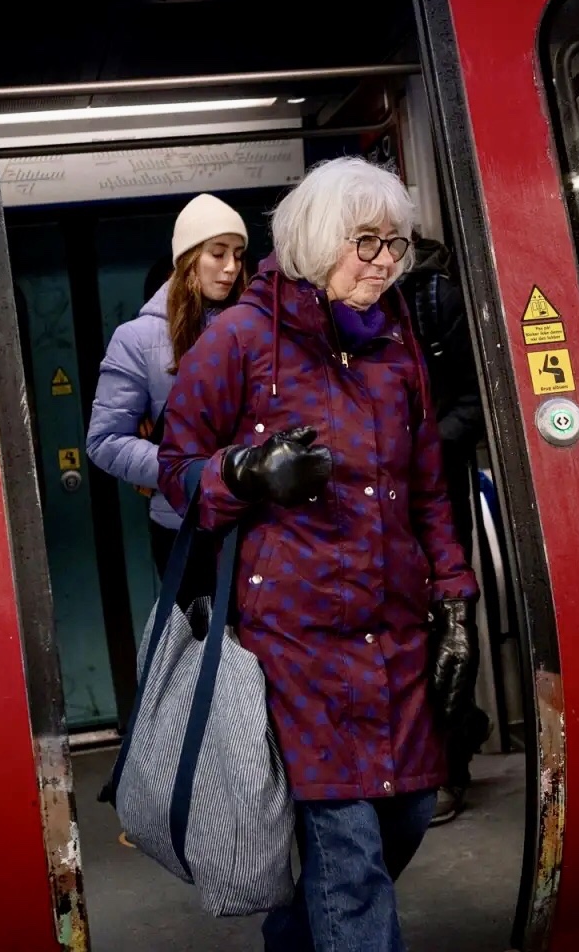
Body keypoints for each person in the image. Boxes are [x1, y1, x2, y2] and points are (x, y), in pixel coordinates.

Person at [158, 157, 479, 952]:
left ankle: (295, 940)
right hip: (297, 641)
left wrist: (454, 599)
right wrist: (244, 472)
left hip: (394, 627)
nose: (384, 262)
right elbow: (177, 472)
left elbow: (428, 487)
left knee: (407, 812)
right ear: (316, 240)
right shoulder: (239, 340)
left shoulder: (397, 343)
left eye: (395, 245)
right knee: (350, 851)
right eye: (365, 242)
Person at [86, 192, 248, 606]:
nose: (231, 267)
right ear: (188, 259)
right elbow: (105, 441)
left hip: (259, 525)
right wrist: (187, 471)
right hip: (186, 530)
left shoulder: (255, 329)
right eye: (218, 253)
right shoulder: (137, 340)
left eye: (238, 254)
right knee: (203, 644)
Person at [397, 236, 492, 826]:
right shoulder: (330, 304)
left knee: (449, 619)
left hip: (435, 488)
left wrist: (423, 451)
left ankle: (451, 762)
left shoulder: (435, 299)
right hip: (371, 498)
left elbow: (476, 399)